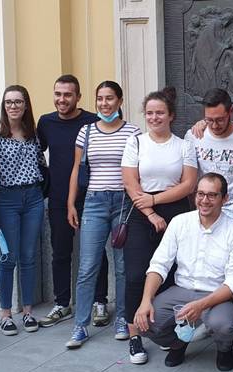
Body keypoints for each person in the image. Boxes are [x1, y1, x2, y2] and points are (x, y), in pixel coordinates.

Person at [134, 173, 233, 369]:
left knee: (224, 325)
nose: (204, 200)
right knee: (145, 322)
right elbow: (159, 264)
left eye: (212, 195)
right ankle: (179, 343)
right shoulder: (180, 222)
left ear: (225, 199)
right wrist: (145, 301)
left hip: (215, 294)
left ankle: (224, 349)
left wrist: (200, 305)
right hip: (182, 289)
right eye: (200, 194)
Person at [122, 87, 198, 364]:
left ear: (171, 116)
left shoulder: (183, 145)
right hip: (141, 212)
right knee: (135, 275)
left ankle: (168, 332)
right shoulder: (136, 143)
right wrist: (151, 212)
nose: (154, 118)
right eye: (150, 113)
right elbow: (130, 183)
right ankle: (134, 336)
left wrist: (155, 199)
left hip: (176, 212)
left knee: (173, 275)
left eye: (160, 113)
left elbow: (188, 184)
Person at [65, 81, 141, 348]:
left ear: (120, 101)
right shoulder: (86, 132)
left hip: (123, 203)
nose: (104, 104)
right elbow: (76, 169)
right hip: (94, 203)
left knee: (122, 266)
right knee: (88, 266)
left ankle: (122, 318)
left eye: (110, 98)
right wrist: (71, 203)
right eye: (100, 99)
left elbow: (137, 169)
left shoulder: (133, 132)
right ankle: (80, 325)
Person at [37, 75, 110, 328]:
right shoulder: (46, 122)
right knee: (60, 252)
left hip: (91, 197)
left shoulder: (92, 121)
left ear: (78, 97)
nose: (62, 99)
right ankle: (62, 303)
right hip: (58, 197)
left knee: (96, 251)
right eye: (58, 94)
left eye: (68, 95)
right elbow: (38, 153)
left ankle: (100, 302)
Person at [0, 85, 45, 336]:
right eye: (8, 102)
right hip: (6, 200)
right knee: (8, 257)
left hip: (33, 197)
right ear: (3, 106)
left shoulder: (33, 134)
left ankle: (27, 311)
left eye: (18, 102)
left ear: (26, 105)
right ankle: (5, 314)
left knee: (29, 256)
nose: (13, 106)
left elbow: (42, 166)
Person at [185, 88, 233, 220]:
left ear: (231, 111)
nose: (214, 125)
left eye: (220, 120)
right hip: (204, 211)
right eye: (209, 120)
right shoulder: (193, 136)